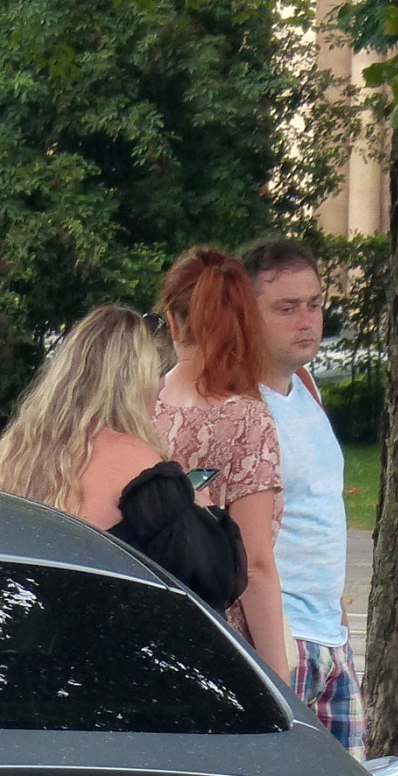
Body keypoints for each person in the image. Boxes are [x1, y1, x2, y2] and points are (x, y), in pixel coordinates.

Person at [243, 238, 361, 753]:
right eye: (286, 308)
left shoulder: (307, 386)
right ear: (246, 314)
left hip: (331, 640)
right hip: (279, 642)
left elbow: (320, 512)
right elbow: (247, 552)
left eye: (313, 304)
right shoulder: (239, 404)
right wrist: (276, 662)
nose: (306, 320)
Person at [154, 247, 292, 682]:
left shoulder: (139, 404)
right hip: (220, 642)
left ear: (173, 322)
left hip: (149, 620)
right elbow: (254, 563)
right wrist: (279, 679)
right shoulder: (246, 417)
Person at [0, 305, 167, 529]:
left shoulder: (16, 448)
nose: (160, 386)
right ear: (137, 384)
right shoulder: (133, 457)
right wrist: (197, 500)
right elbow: (199, 557)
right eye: (156, 374)